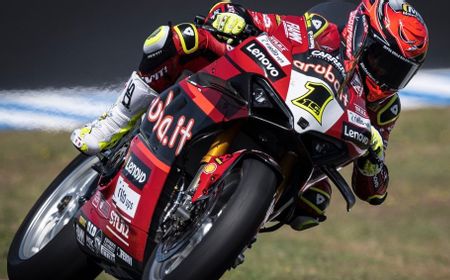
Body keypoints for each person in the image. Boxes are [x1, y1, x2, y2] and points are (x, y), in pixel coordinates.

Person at [71, 0, 429, 230]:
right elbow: (256, 20)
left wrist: (373, 160)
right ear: (362, 34)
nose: (386, 77)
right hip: (260, 94)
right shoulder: (322, 31)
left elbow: (374, 192)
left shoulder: (385, 108)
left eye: (399, 73)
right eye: (383, 61)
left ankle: (227, 229)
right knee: (176, 39)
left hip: (307, 150)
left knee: (313, 204)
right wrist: (233, 17)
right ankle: (116, 122)